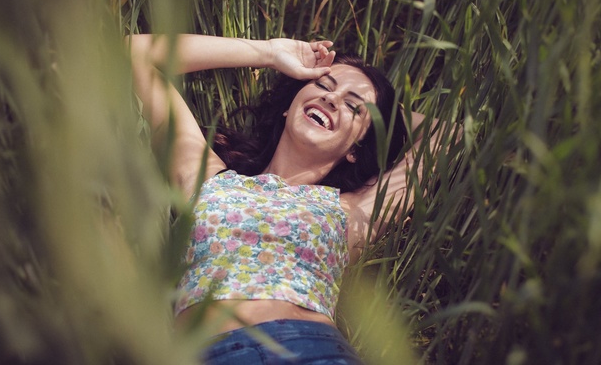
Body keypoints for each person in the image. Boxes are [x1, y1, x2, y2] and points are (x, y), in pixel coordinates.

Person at [127, 34, 427, 364]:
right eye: (324, 86)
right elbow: (136, 53)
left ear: (357, 149)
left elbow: (446, 136)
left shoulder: (353, 211)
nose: (331, 99)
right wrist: (270, 52)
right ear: (288, 106)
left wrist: (385, 109)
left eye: (354, 107)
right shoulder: (206, 178)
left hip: (309, 350)